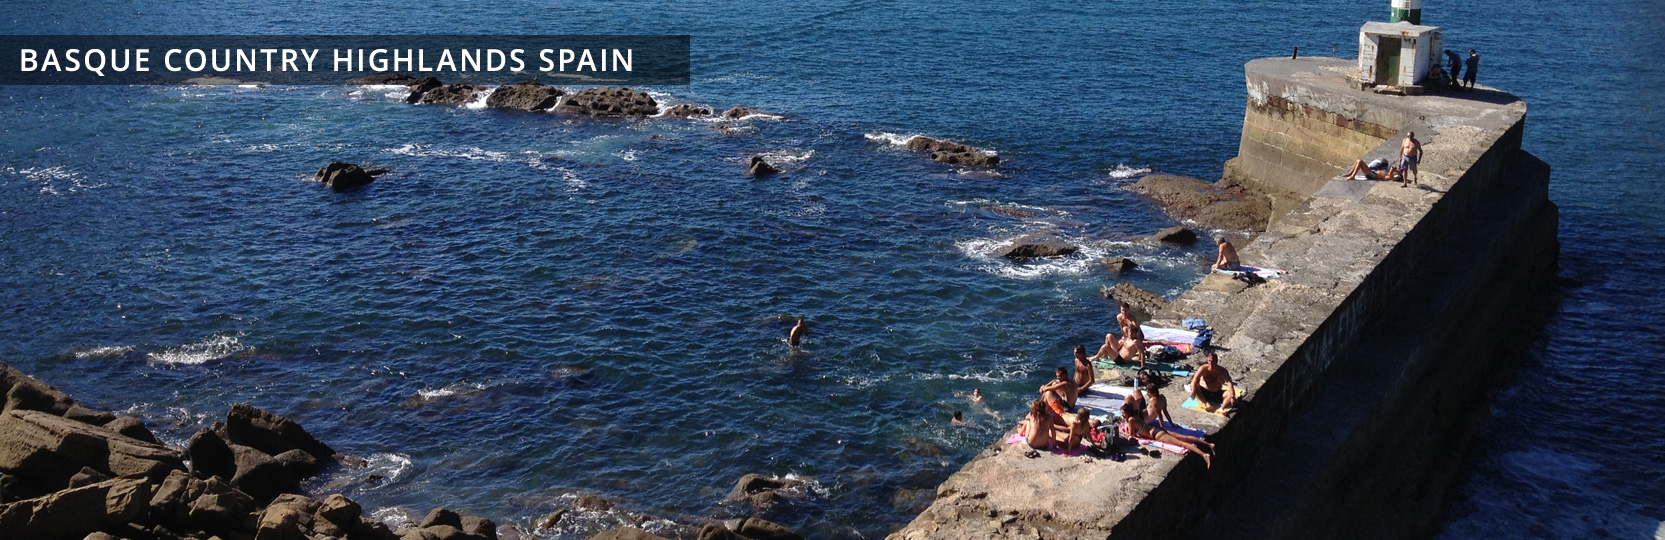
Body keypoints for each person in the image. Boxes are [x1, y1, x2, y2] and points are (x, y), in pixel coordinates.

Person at [1122, 400, 1215, 468]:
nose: (1122, 415)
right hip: (1157, 429)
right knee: (1185, 437)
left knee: (1183, 444)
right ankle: (1209, 444)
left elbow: (1132, 435)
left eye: (1123, 413)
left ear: (1127, 413)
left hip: (1156, 434)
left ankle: (1204, 455)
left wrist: (1124, 432)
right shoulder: (1135, 417)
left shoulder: (1130, 420)